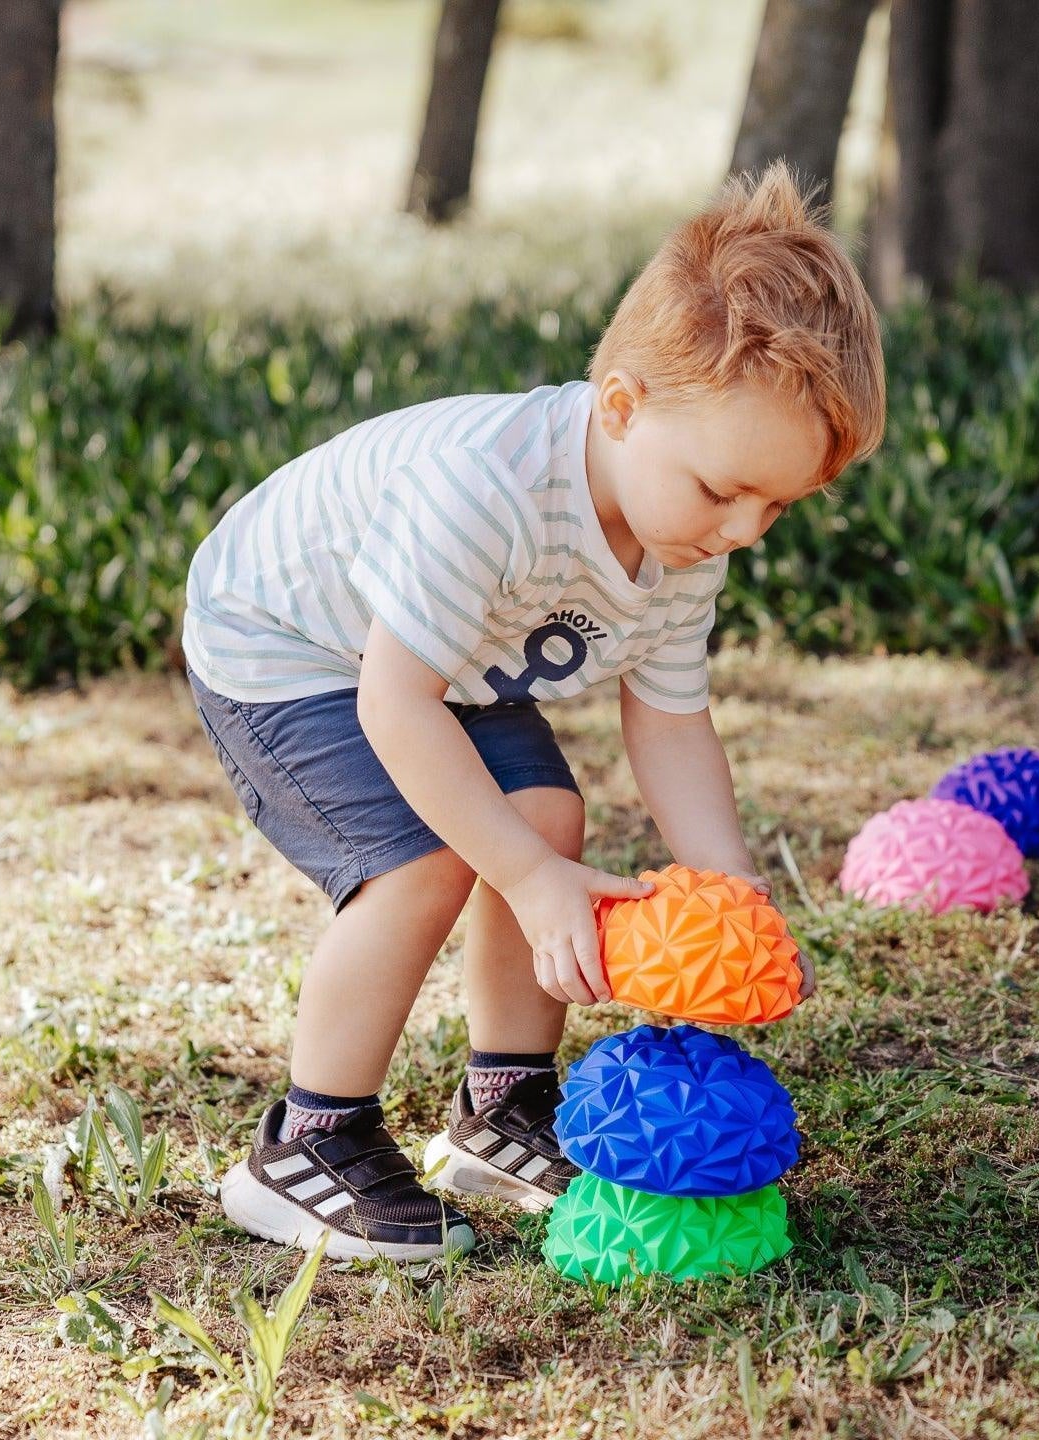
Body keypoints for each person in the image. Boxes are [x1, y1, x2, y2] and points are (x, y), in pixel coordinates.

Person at [182, 161, 887, 1260]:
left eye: (778, 505)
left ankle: (501, 1110)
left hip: (444, 666)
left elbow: (668, 720)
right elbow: (394, 700)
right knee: (424, 861)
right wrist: (516, 874)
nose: (746, 530)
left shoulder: (682, 534)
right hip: (285, 642)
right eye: (722, 491)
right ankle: (308, 1141)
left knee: (549, 823)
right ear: (621, 406)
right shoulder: (489, 490)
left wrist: (729, 884)